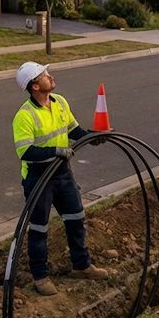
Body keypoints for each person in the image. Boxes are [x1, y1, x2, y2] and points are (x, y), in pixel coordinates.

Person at [12, 61, 108, 296]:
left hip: (62, 173)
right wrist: (55, 152)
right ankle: (40, 276)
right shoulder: (24, 116)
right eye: (45, 75)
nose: (50, 77)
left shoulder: (60, 102)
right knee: (39, 228)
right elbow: (26, 152)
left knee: (76, 218)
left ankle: (82, 265)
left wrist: (92, 137)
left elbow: (73, 130)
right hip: (38, 178)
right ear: (35, 86)